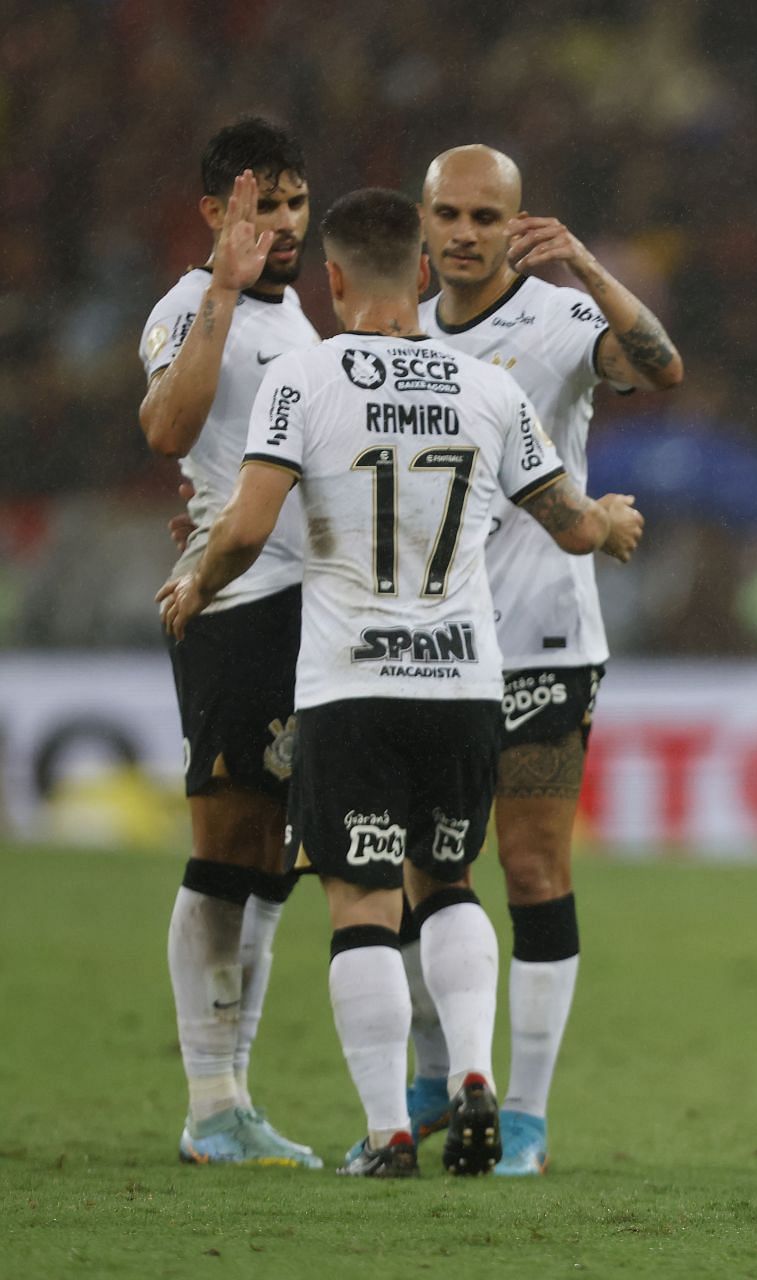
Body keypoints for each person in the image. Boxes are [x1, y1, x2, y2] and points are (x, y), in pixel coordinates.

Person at [157, 187, 645, 1177]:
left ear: (333, 281)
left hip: (351, 685)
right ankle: (474, 1071)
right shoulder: (487, 390)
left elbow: (249, 527)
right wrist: (615, 523)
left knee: (363, 900)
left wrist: (195, 579)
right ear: (422, 272)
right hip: (467, 681)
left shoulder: (303, 377)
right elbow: (569, 522)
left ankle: (387, 1129)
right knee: (454, 883)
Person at [403, 144, 683, 1175]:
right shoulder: (391, 334)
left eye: (487, 215)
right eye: (449, 214)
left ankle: (524, 1111)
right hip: (421, 643)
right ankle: (434, 1074)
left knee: (529, 866)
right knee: (420, 867)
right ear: (423, 222)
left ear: (517, 222)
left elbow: (660, 367)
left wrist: (589, 268)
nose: (466, 233)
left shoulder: (561, 320)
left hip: (542, 638)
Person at [137, 117, 322, 1169]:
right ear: (216, 212)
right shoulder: (185, 307)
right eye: (262, 204)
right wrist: (219, 288)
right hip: (231, 606)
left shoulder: (297, 318)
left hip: (306, 607)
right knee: (222, 850)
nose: (283, 224)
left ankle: (234, 1095)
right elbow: (167, 429)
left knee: (268, 862)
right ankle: (209, 1101)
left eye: (295, 203)